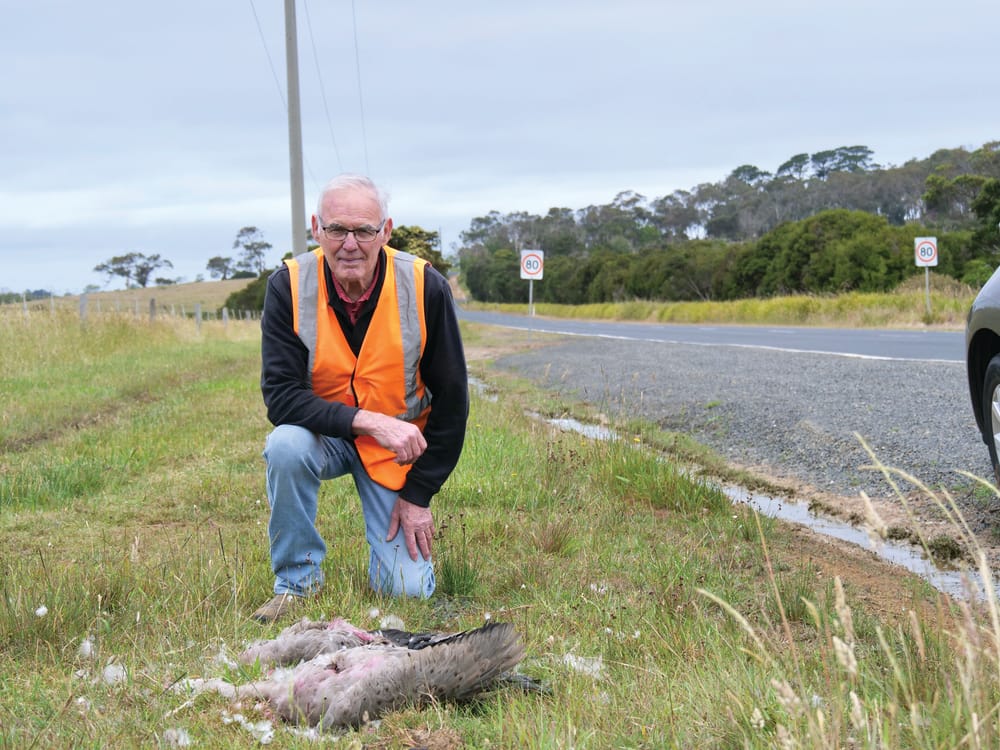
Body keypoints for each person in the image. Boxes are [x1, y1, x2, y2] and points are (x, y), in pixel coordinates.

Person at [252, 174, 469, 623]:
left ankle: (387, 564)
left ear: (385, 232)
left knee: (407, 594)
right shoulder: (287, 286)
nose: (349, 244)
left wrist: (419, 494)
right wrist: (370, 422)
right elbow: (281, 398)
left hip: (396, 452)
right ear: (317, 228)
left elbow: (452, 402)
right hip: (325, 436)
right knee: (285, 445)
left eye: (364, 231)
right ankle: (296, 584)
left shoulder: (424, 286)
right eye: (336, 229)